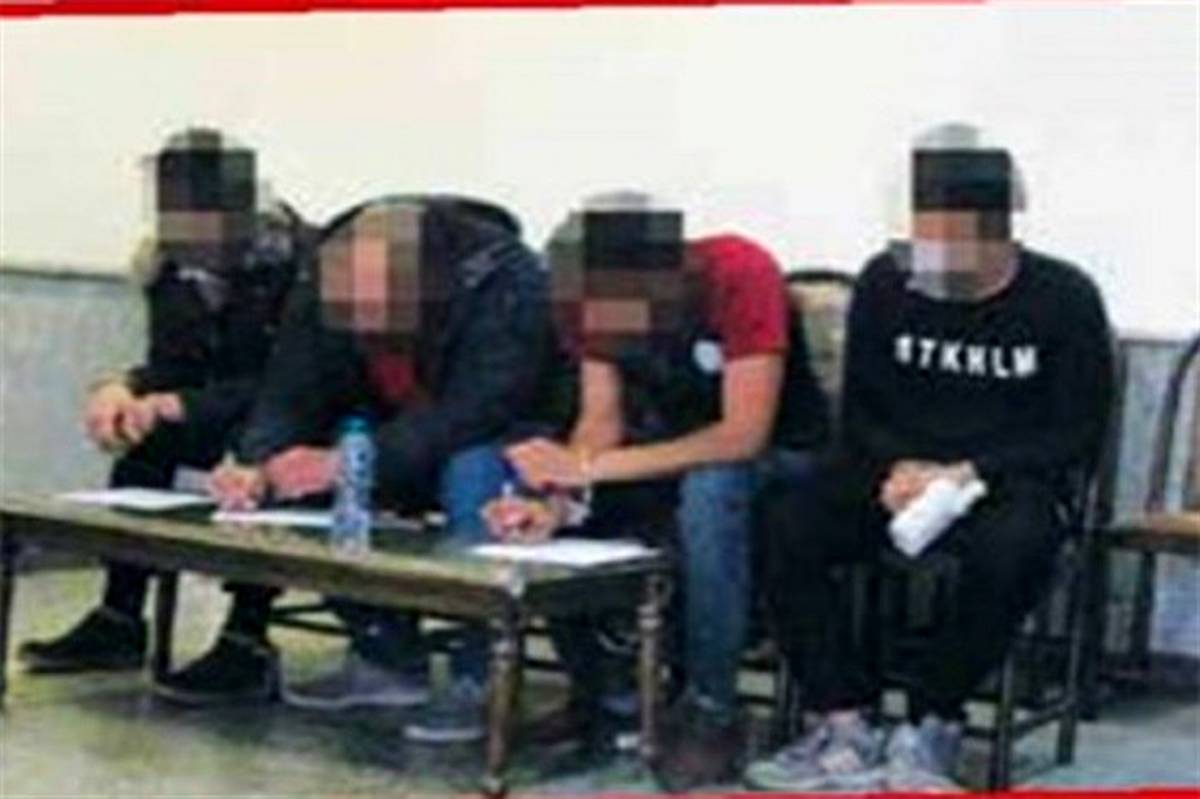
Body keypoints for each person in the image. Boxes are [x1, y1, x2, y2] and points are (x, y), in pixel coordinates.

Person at [745, 129, 1115, 792]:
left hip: (1002, 479)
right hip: (896, 467)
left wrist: (967, 472)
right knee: (786, 519)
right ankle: (843, 719)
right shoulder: (888, 281)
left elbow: (1076, 431)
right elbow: (860, 410)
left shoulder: (1063, 297)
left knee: (1017, 547)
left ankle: (932, 719)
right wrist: (901, 469)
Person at [190, 194, 572, 744]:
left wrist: (346, 462)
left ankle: (482, 675)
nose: (359, 322)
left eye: (375, 304)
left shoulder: (507, 283)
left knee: (471, 474)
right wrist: (258, 463)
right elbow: (289, 385)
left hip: (506, 435)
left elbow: (480, 409)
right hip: (389, 424)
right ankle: (384, 654)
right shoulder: (326, 277)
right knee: (301, 472)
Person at [484, 193, 829, 790]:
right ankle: (602, 691)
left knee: (710, 490)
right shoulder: (586, 301)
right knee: (554, 500)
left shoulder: (740, 273)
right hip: (666, 447)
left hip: (784, 455)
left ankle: (711, 709)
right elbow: (600, 422)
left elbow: (743, 436)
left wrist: (590, 469)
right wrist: (558, 499)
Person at [18, 128, 307, 676]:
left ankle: (246, 632)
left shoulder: (300, 265)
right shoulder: (170, 267)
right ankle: (120, 614)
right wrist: (125, 388)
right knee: (144, 439)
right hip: (218, 408)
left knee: (264, 448)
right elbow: (172, 364)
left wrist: (185, 405)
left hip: (293, 417)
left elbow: (296, 382)